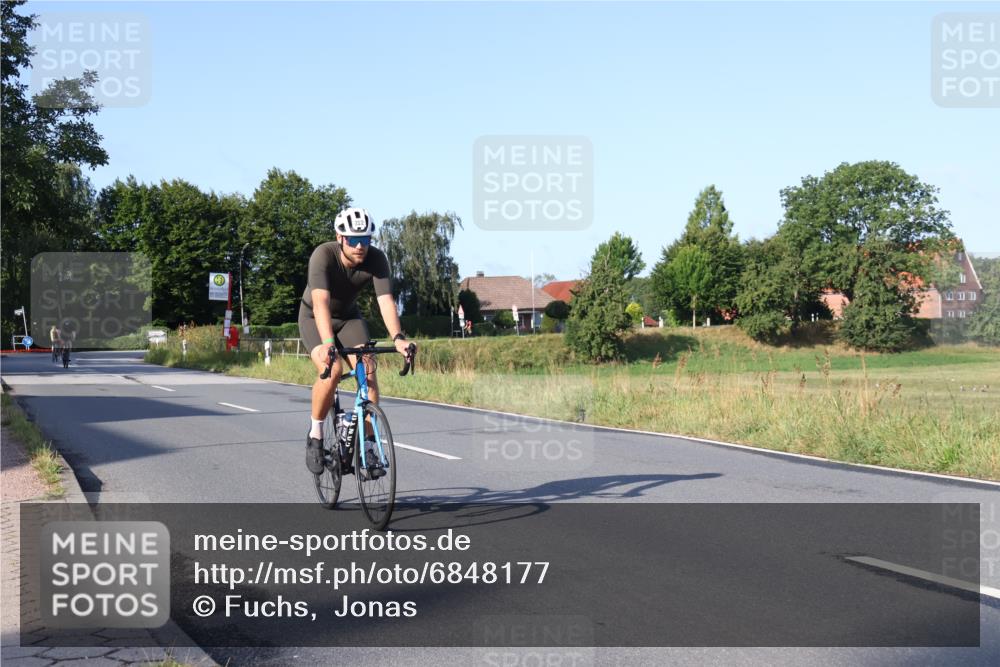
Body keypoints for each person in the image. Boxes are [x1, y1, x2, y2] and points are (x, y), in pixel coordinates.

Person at [299, 207, 415, 474]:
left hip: (349, 318)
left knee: (369, 373)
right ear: (340, 238)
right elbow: (321, 303)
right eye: (353, 240)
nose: (361, 246)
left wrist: (398, 338)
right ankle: (315, 435)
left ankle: (369, 447)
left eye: (366, 239)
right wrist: (328, 343)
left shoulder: (376, 259)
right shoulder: (323, 255)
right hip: (314, 317)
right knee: (333, 370)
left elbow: (386, 302)